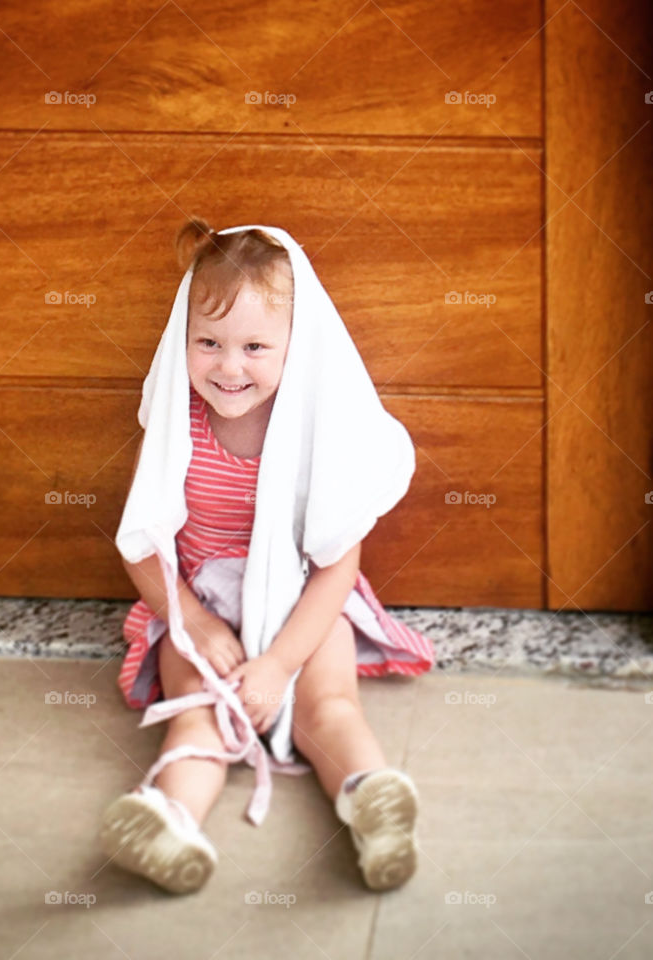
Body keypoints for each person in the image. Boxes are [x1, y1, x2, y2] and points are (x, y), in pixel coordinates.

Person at [99, 219, 435, 895]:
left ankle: (375, 804)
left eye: (255, 346)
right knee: (197, 709)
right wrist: (193, 623)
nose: (229, 366)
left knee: (329, 707)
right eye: (209, 343)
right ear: (182, 341)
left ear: (295, 345)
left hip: (303, 607)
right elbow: (140, 545)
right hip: (200, 601)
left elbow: (339, 565)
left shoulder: (312, 428)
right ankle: (168, 821)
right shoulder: (176, 426)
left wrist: (280, 663)